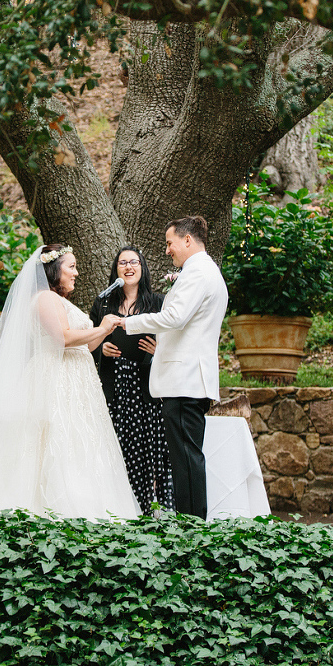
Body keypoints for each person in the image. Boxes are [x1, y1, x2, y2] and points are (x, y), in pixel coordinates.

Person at [0, 244, 140, 520]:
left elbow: (86, 347)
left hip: (78, 382)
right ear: (54, 270)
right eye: (71, 267)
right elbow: (62, 339)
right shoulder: (44, 298)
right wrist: (100, 327)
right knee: (55, 441)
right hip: (55, 378)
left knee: (82, 443)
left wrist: (105, 330)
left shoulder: (61, 301)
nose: (76, 273)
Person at [120, 216, 228, 520]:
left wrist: (129, 323)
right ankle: (191, 524)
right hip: (189, 380)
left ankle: (191, 529)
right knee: (185, 460)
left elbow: (174, 318)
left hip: (185, 381)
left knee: (186, 461)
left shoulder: (197, 273)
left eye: (170, 243)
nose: (167, 250)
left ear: (187, 241)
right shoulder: (204, 271)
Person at [88, 246, 174, 512]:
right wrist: (101, 348)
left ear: (142, 267)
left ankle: (156, 508)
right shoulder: (103, 304)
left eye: (134, 262)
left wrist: (158, 352)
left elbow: (173, 340)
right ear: (116, 270)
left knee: (152, 450)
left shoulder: (158, 303)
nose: (128, 267)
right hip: (116, 386)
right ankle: (123, 510)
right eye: (122, 263)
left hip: (148, 386)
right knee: (119, 448)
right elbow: (87, 342)